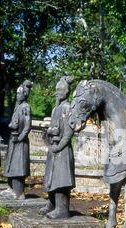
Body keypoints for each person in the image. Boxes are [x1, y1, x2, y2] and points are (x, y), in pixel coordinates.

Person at [40, 76, 75, 219]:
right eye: (56, 90)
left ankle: (62, 209)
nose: (57, 92)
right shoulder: (56, 108)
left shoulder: (67, 108)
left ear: (66, 91)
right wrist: (49, 133)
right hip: (54, 148)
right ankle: (52, 203)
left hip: (62, 150)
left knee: (61, 179)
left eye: (60, 90)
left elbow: (68, 132)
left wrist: (59, 146)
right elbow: (53, 127)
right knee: (51, 177)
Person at [0, 80, 32, 200]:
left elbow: (28, 126)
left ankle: (19, 192)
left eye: (19, 94)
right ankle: (11, 187)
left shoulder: (26, 107)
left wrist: (20, 138)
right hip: (13, 140)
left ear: (25, 94)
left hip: (19, 141)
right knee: (11, 165)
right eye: (17, 94)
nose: (17, 96)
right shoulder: (18, 107)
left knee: (18, 167)